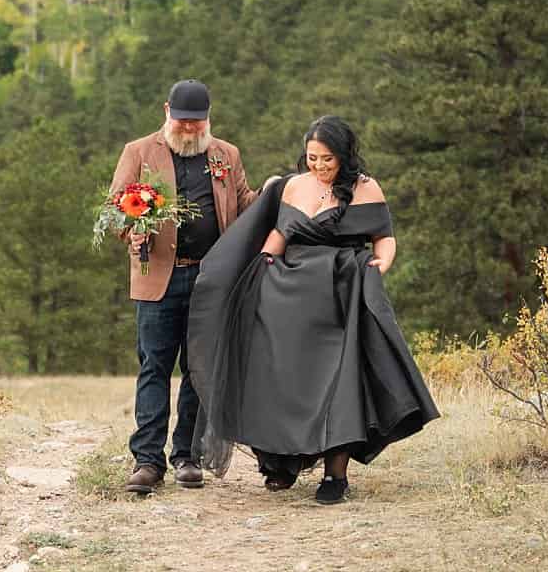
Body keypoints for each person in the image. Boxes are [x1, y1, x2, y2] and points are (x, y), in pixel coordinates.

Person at [187, 115, 439, 504]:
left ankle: (334, 476)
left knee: (339, 382)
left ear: (344, 156)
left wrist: (380, 265)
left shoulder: (366, 188)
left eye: (327, 160)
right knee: (282, 378)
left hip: (340, 294)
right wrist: (262, 266)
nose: (319, 166)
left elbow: (384, 237)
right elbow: (280, 234)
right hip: (285, 295)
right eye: (312, 158)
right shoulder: (292, 186)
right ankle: (282, 463)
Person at [107, 79, 258, 494]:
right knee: (155, 365)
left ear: (209, 118)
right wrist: (130, 232)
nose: (190, 128)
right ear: (166, 112)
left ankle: (187, 457)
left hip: (212, 278)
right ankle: (148, 461)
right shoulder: (138, 152)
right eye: (183, 120)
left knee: (198, 368)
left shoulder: (226, 154)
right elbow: (115, 207)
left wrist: (279, 192)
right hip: (158, 276)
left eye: (197, 121)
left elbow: (245, 204)